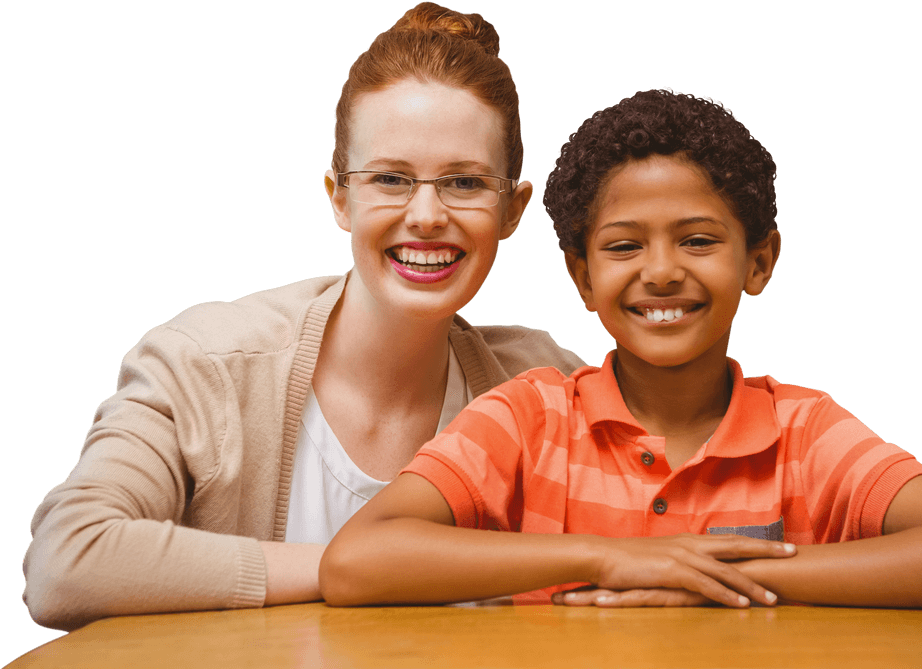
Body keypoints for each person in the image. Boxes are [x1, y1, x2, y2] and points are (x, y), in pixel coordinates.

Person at [319, 88, 922, 610]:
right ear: (583, 278)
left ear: (759, 261)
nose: (660, 270)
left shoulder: (805, 433)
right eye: (625, 246)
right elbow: (357, 562)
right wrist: (613, 558)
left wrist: (707, 577)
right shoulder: (529, 418)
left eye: (697, 239)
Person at [23, 2, 584, 631]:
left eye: (464, 183)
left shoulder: (549, 387)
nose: (426, 214)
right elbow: (65, 562)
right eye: (391, 179)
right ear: (339, 197)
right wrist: (362, 568)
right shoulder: (204, 365)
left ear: (512, 210)